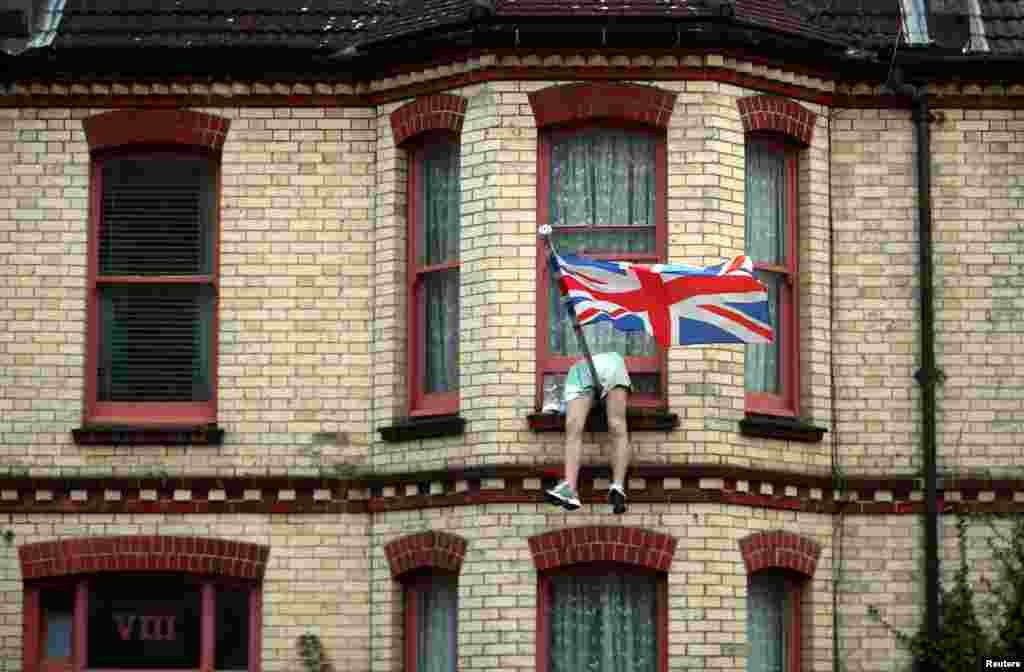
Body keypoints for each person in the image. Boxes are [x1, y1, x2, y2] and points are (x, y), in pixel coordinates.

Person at [545, 352, 631, 514]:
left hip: (603, 364)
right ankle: (573, 487)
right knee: (579, 426)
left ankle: (614, 486)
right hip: (587, 366)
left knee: (611, 424)